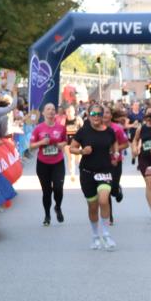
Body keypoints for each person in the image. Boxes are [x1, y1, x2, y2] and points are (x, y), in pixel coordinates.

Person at [68, 101, 118, 250]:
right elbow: (72, 148)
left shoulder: (109, 131)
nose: (96, 117)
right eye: (93, 114)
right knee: (93, 206)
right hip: (87, 173)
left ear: (103, 116)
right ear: (88, 115)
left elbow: (114, 143)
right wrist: (82, 152)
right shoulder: (83, 131)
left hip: (105, 171)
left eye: (99, 114)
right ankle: (96, 236)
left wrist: (115, 153)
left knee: (104, 200)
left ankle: (107, 235)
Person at [29, 102, 67, 225]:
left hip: (58, 162)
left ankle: (58, 207)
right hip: (43, 164)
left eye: (53, 109)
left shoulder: (61, 127)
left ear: (55, 113)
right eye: (48, 109)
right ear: (44, 113)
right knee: (46, 191)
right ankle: (47, 215)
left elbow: (65, 141)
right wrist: (41, 143)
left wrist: (60, 145)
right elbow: (31, 147)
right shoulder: (38, 128)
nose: (51, 111)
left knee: (58, 188)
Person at [63, 104, 82, 181]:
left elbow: (83, 130)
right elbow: (61, 131)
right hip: (68, 143)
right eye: (68, 111)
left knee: (79, 159)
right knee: (71, 159)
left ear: (74, 112)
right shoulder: (64, 120)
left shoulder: (78, 119)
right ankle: (72, 174)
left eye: (70, 111)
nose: (69, 113)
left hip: (78, 143)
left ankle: (82, 172)